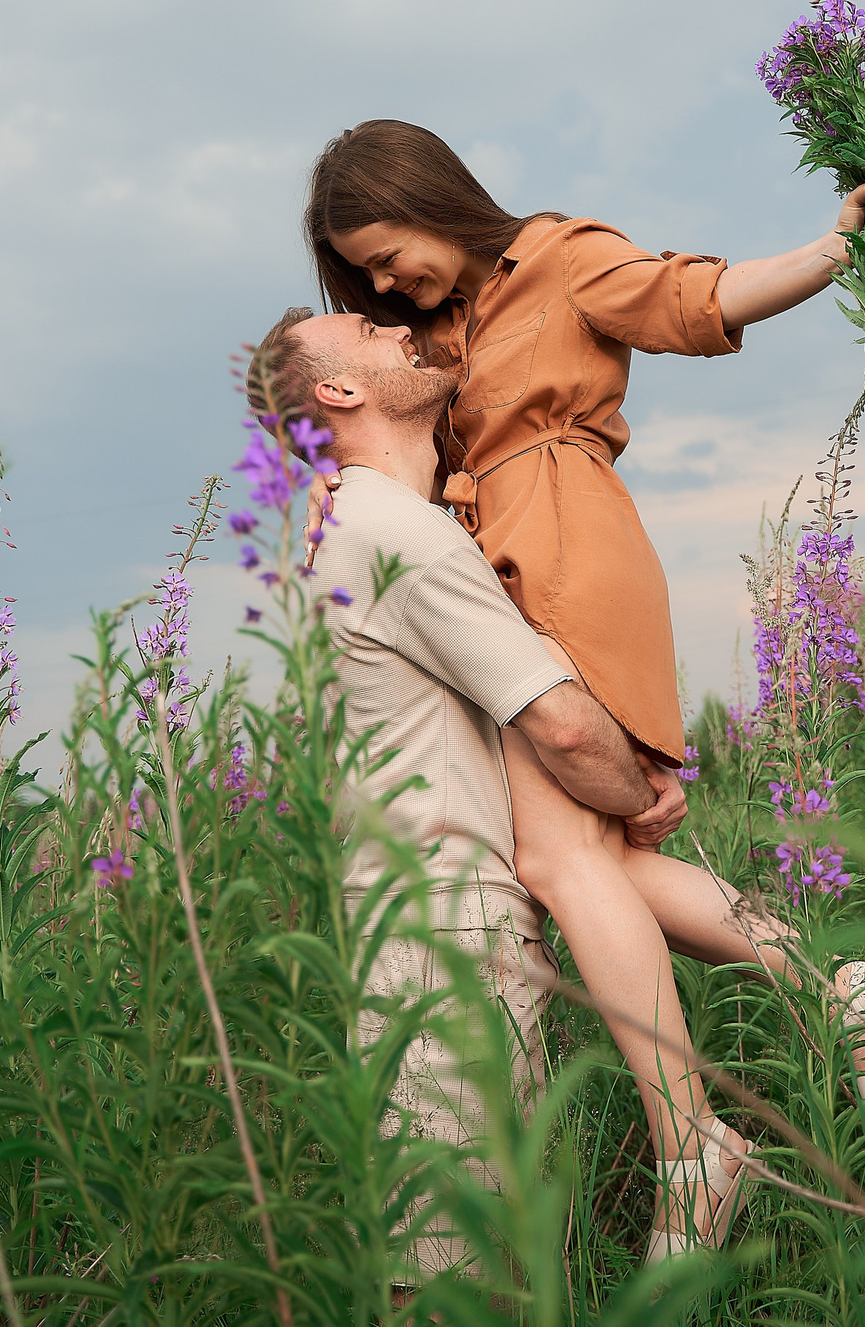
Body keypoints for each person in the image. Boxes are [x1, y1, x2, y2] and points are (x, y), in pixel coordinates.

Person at [294, 120, 865, 1260]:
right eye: (366, 275)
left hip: (567, 540)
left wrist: (833, 254)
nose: (384, 281)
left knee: (557, 861)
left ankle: (694, 1146)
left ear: (431, 199)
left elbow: (698, 298)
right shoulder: (437, 332)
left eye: (385, 253)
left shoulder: (558, 257)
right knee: (603, 863)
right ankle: (842, 988)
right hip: (507, 559)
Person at [249, 307, 673, 1277]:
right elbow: (562, 725)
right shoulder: (390, 528)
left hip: (409, 945)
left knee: (470, 1274)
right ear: (339, 392)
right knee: (458, 1286)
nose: (396, 323)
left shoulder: (351, 528)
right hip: (442, 955)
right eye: (363, 326)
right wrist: (638, 789)